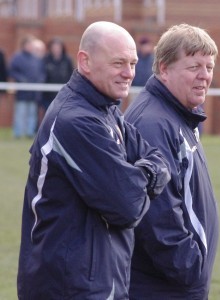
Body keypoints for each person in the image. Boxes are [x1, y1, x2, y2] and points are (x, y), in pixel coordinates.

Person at [17, 21, 171, 300]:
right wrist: (144, 177)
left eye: (133, 63)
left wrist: (138, 175)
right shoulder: (75, 121)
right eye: (118, 63)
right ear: (85, 62)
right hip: (70, 288)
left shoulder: (107, 110)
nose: (129, 74)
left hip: (101, 280)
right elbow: (128, 205)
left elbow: (159, 159)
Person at [125, 23, 219, 299]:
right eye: (194, 67)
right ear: (164, 69)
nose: (204, 76)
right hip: (162, 287)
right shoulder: (153, 124)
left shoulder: (177, 114)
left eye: (209, 67)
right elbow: (158, 216)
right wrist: (190, 269)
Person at [9, 35, 45, 138]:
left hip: (33, 93)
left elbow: (42, 72)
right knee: (20, 113)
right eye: (29, 44)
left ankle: (30, 133)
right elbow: (12, 71)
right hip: (22, 93)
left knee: (32, 113)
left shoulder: (36, 59)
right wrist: (22, 80)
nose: (30, 46)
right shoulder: (17, 57)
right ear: (24, 45)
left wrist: (39, 81)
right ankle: (18, 133)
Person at [41, 37, 74, 113]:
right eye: (54, 47)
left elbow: (71, 75)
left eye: (58, 47)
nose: (56, 49)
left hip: (64, 95)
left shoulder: (67, 60)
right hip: (48, 95)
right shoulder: (45, 59)